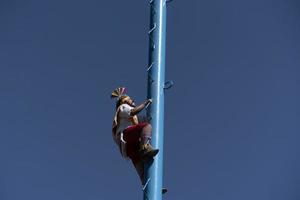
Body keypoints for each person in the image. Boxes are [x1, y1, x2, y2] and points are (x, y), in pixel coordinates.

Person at [111, 87, 167, 194]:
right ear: (124, 100)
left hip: (129, 146)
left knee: (141, 168)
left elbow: (137, 118)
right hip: (127, 135)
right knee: (147, 127)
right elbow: (133, 111)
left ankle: (152, 188)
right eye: (130, 99)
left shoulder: (128, 115)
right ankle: (144, 147)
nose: (132, 100)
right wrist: (146, 103)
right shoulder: (123, 107)